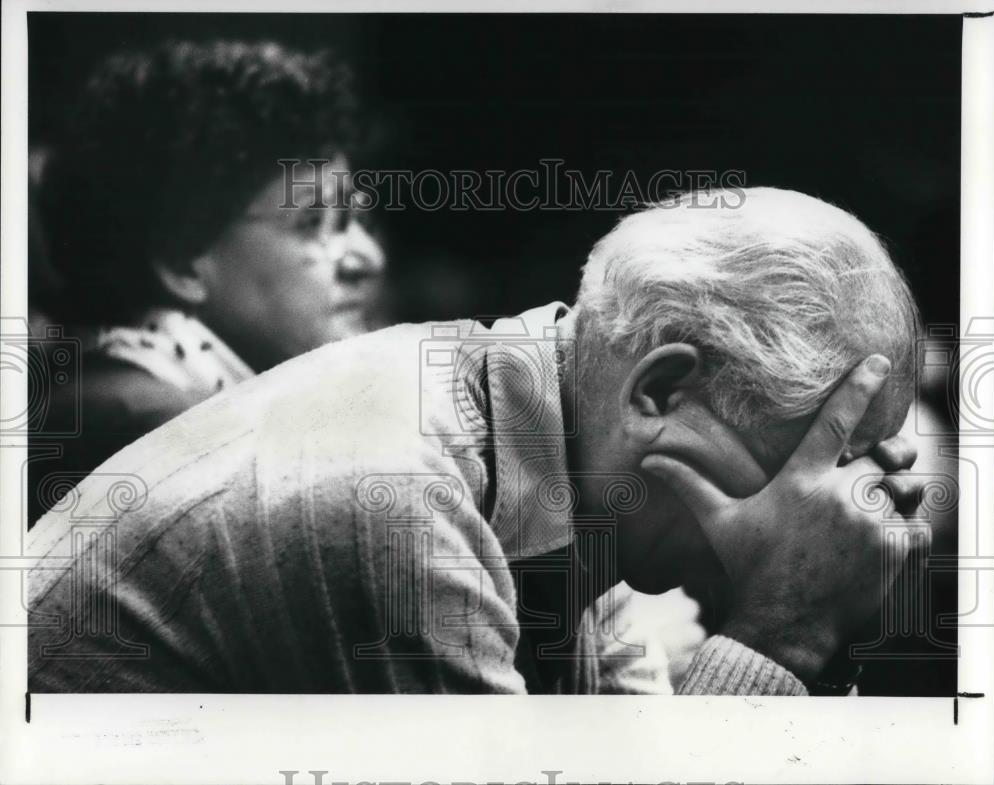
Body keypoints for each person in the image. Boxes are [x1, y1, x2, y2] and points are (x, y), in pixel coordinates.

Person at [28, 187, 927, 694]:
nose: (845, 510)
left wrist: (836, 628)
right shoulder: (396, 497)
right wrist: (784, 633)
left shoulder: (562, 471)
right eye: (829, 454)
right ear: (658, 390)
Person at [28, 41, 385, 524]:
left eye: (355, 218)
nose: (368, 259)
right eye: (314, 222)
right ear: (181, 264)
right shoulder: (154, 428)